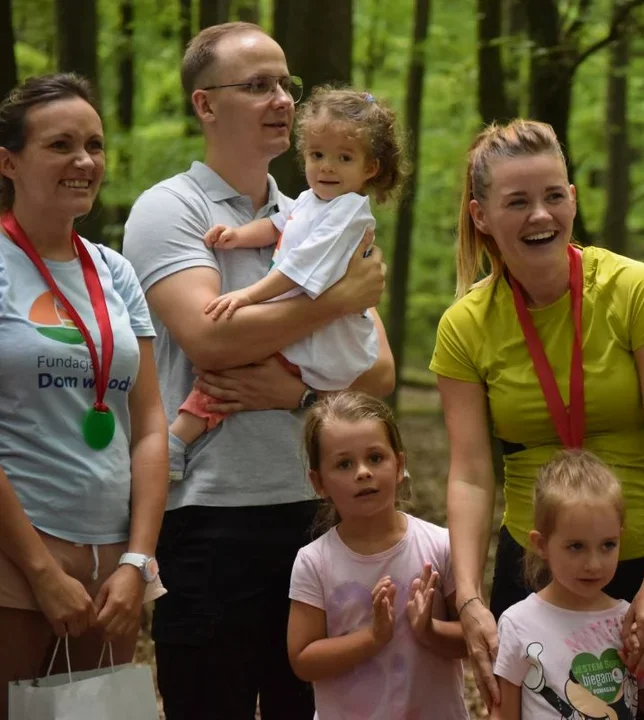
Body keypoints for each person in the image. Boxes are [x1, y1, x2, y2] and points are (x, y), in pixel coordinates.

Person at [122, 22, 392, 719]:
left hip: (314, 516)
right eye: (258, 86)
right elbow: (213, 339)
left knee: (305, 707)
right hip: (211, 518)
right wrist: (338, 300)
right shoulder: (169, 210)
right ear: (205, 105)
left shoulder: (319, 208)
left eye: (286, 86)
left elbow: (380, 370)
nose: (282, 101)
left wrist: (301, 391)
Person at [430, 119, 644, 718]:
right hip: (536, 564)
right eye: (518, 202)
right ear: (482, 216)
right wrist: (468, 599)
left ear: (573, 199)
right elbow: (470, 474)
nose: (541, 216)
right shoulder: (465, 325)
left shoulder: (635, 289)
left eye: (554, 196)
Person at [0, 74, 168, 717]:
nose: (84, 162)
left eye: (94, 145)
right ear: (8, 161)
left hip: (112, 567)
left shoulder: (114, 269)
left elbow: (149, 423)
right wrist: (41, 572)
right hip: (19, 558)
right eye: (61, 145)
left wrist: (136, 561)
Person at [170, 86, 404, 473]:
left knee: (234, 369)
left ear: (370, 168)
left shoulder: (349, 214)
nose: (327, 167)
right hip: (305, 324)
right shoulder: (315, 201)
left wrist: (248, 296)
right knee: (236, 371)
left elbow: (299, 268)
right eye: (317, 155)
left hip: (326, 340)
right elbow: (280, 224)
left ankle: (176, 440)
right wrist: (238, 235)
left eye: (344, 158)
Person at [288, 391, 469, 720]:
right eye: (344, 464)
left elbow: (472, 639)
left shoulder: (441, 545)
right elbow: (303, 659)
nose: (363, 472)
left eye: (375, 458)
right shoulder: (314, 561)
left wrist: (429, 630)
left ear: (399, 465)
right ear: (319, 482)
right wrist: (372, 637)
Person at [491, 450, 644, 720]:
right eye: (576, 546)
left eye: (608, 545)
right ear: (542, 545)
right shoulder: (518, 623)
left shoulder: (629, 621)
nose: (594, 563)